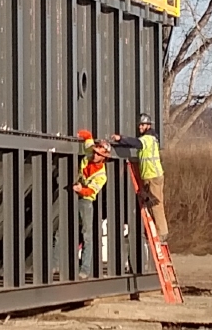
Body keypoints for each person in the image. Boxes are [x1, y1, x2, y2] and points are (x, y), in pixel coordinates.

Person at [54, 130, 110, 280]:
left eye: (99, 154)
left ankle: (85, 269)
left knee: (87, 235)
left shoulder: (101, 175)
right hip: (74, 197)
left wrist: (80, 189)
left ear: (103, 158)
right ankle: (55, 264)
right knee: (60, 231)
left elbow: (91, 190)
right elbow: (88, 137)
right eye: (95, 151)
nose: (95, 154)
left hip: (86, 201)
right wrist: (80, 133)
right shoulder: (89, 153)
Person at [112, 112, 168, 243]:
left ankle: (162, 233)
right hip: (150, 176)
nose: (140, 128)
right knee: (148, 200)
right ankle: (155, 230)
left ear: (148, 125)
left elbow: (136, 143)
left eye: (142, 125)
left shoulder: (148, 139)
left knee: (156, 205)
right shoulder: (151, 138)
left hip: (153, 176)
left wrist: (121, 138)